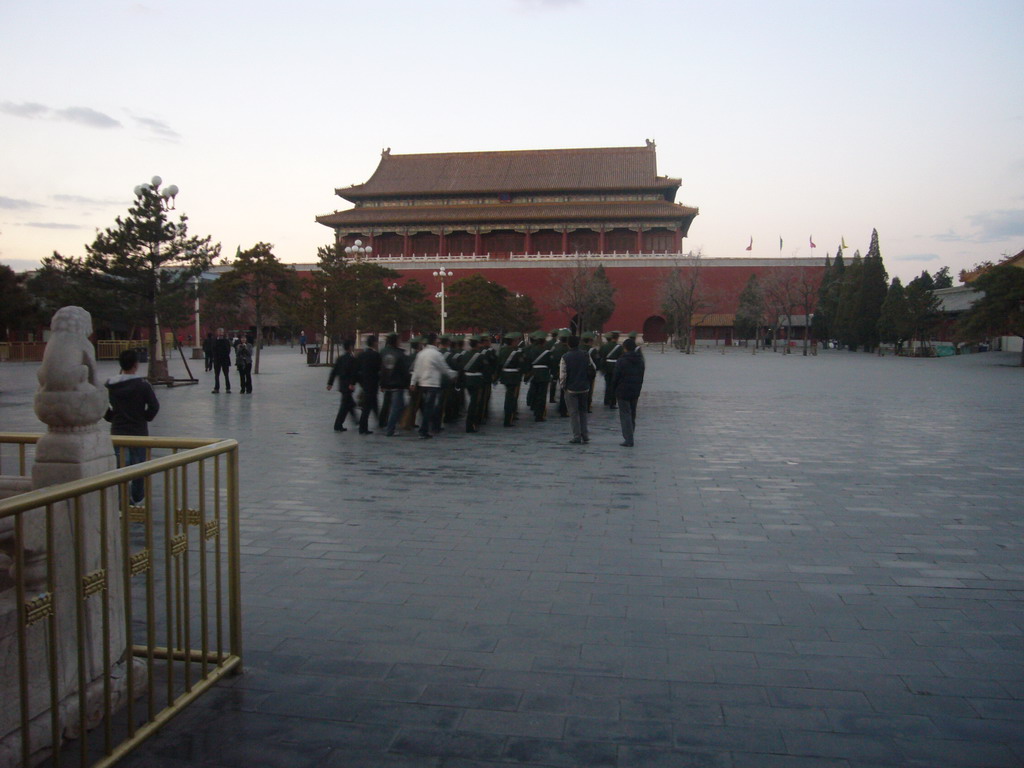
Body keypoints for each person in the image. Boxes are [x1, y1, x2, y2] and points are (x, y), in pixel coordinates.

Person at [105, 348, 160, 505]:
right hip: (138, 431)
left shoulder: (110, 385)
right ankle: (137, 497)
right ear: (136, 365)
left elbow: (102, 405)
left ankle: (122, 499)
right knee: (139, 468)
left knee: (120, 467)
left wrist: (112, 417)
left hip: (118, 431)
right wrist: (145, 417)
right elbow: (154, 406)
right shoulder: (143, 385)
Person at [409, 332, 457, 439]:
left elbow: (416, 369)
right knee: (430, 407)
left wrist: (413, 382)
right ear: (435, 341)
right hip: (433, 383)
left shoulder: (421, 353)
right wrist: (453, 375)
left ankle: (428, 427)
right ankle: (425, 429)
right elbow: (444, 368)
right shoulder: (436, 354)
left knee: (427, 406)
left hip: (422, 383)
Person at [559, 335, 595, 444]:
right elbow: (593, 368)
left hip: (571, 389)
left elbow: (563, 374)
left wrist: (563, 387)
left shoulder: (565, 357)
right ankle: (585, 435)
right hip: (584, 388)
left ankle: (576, 436)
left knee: (573, 413)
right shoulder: (586, 354)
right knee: (583, 412)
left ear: (568, 344)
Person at [611, 338, 645, 447]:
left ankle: (628, 439)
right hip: (635, 390)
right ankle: (631, 434)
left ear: (624, 348)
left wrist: (613, 388)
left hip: (622, 390)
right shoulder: (640, 360)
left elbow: (616, 376)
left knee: (625, 414)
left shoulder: (621, 360)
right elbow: (641, 375)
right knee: (632, 413)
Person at [379, 333, 410, 436]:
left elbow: (380, 369)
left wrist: (381, 383)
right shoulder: (400, 354)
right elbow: (405, 371)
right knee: (397, 407)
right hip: (397, 384)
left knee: (390, 405)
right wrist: (408, 383)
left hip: (386, 383)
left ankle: (386, 424)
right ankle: (390, 428)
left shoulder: (382, 352)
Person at [327, 339, 360, 432]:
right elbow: (354, 373)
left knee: (349, 404)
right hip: (348, 385)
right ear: (350, 347)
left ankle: (356, 421)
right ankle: (338, 425)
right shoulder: (352, 359)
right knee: (345, 406)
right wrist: (352, 383)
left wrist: (330, 383)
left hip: (342, 385)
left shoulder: (340, 359)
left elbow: (334, 372)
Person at [495, 332, 525, 427]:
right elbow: (521, 364)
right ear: (513, 341)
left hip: (505, 375)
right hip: (514, 376)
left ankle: (508, 416)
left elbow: (499, 363)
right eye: (516, 340)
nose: (517, 342)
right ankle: (509, 418)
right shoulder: (516, 352)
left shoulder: (502, 350)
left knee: (508, 396)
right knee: (512, 398)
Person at [522, 331, 552, 421]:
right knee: (542, 395)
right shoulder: (546, 351)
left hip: (534, 373)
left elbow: (527, 362)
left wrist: (527, 372)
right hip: (543, 374)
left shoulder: (531, 350)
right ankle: (539, 415)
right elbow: (550, 363)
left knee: (534, 391)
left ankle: (534, 407)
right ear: (543, 341)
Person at [461, 337, 487, 433]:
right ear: (477, 345)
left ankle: (471, 423)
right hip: (477, 380)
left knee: (472, 401)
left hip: (467, 380)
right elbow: (485, 369)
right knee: (474, 404)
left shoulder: (464, 355)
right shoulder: (480, 356)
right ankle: (471, 424)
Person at [357, 335, 381, 435]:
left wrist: (360, 382)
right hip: (373, 383)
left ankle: (380, 421)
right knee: (367, 407)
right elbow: (380, 370)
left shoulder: (361, 355)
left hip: (365, 384)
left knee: (371, 405)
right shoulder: (376, 355)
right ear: (374, 343)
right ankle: (363, 428)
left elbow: (356, 370)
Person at [599, 331, 623, 408]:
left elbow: (601, 356)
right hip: (616, 368)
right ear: (617, 338)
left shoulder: (604, 346)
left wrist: (602, 368)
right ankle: (612, 402)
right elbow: (621, 358)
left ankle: (606, 400)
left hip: (607, 367)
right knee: (614, 386)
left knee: (607, 384)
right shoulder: (619, 347)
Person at [212, 327, 232, 393]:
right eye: (219, 332)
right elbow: (213, 349)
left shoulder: (226, 341)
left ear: (223, 333)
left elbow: (228, 350)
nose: (220, 333)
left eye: (221, 332)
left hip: (225, 360)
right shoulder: (214, 340)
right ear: (217, 333)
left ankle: (228, 388)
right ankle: (216, 388)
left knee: (226, 375)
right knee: (216, 375)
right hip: (217, 360)